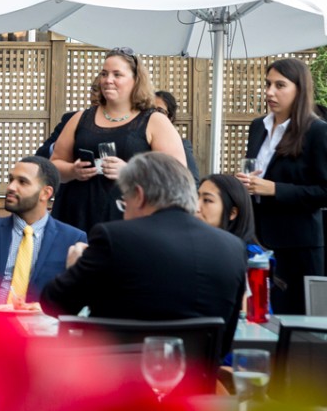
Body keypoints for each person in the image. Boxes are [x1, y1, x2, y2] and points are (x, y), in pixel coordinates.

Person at [41, 153, 248, 359]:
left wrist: (74, 267)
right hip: (196, 385)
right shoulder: (233, 248)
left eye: (125, 202)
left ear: (139, 195)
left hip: (114, 383)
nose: (124, 212)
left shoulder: (114, 237)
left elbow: (54, 303)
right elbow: (223, 343)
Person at [50, 47, 187, 234]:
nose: (108, 80)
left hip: (129, 221)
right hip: (76, 219)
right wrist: (73, 171)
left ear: (136, 80)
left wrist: (130, 171)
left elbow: (177, 175)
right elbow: (54, 166)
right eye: (104, 74)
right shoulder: (80, 118)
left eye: (117, 74)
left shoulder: (155, 121)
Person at [237, 58, 327, 315]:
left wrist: (274, 189)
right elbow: (259, 173)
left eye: (279, 85)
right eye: (267, 84)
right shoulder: (258, 127)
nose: (269, 92)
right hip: (256, 241)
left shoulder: (317, 132)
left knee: (293, 324)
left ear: (299, 89)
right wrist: (245, 182)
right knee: (256, 315)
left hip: (297, 247)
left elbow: (324, 191)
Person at [0, 157, 87, 308]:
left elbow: (80, 297)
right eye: (11, 179)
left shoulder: (72, 239)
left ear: (45, 193)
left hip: (40, 326)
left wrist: (47, 309)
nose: (11, 187)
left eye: (22, 182)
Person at [197, 173, 265, 258]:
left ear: (232, 213)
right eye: (196, 198)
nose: (196, 207)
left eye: (207, 200)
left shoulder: (254, 259)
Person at [153, 90, 200, 182]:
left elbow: (192, 182)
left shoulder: (181, 145)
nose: (153, 114)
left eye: (160, 111)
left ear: (170, 117)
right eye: (150, 109)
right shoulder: (137, 141)